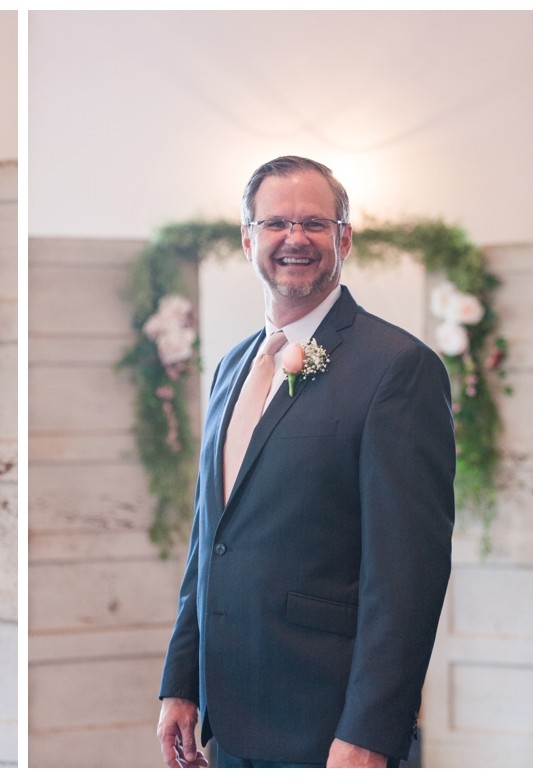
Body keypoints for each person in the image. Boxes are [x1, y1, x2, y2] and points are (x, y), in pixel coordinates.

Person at [156, 157, 455, 768]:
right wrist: (181, 680)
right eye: (276, 224)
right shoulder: (231, 368)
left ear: (344, 238)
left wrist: (371, 734)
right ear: (248, 240)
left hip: (329, 726)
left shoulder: (398, 368)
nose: (295, 238)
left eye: (315, 223)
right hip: (229, 719)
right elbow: (208, 543)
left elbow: (409, 576)